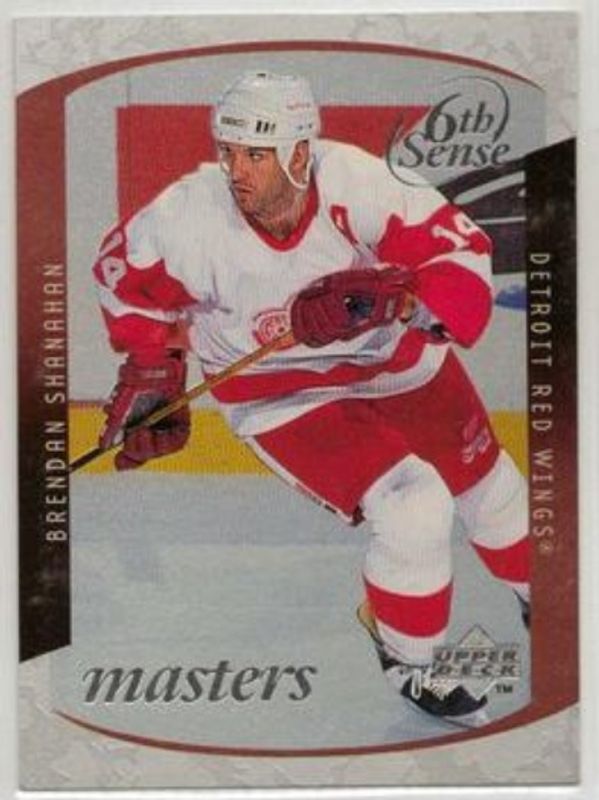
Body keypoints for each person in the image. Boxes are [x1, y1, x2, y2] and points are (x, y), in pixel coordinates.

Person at [93, 71, 530, 728]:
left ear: (300, 152)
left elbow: (462, 253)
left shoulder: (359, 182)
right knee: (413, 504)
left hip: (396, 363)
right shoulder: (185, 217)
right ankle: (413, 660)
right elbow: (121, 282)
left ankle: (546, 597)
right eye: (228, 150)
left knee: (493, 492)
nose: (237, 171)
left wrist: (403, 301)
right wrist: (157, 364)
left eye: (257, 154)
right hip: (280, 392)